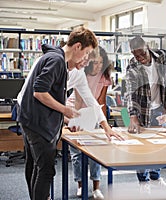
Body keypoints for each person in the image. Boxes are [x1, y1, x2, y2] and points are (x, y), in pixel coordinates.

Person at [18, 27, 98, 200]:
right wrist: (65, 110)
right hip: (38, 124)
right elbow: (39, 92)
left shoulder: (56, 59)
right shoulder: (56, 60)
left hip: (32, 120)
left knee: (37, 167)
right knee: (46, 171)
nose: (85, 58)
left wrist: (65, 117)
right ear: (77, 47)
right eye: (86, 53)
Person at [125, 36, 166, 193]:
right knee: (142, 149)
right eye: (136, 55)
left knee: (158, 146)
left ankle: (156, 178)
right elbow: (130, 91)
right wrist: (132, 116)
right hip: (142, 110)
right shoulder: (132, 65)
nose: (140, 58)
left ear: (147, 47)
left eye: (142, 54)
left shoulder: (161, 57)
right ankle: (143, 182)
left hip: (159, 108)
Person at [66, 46, 114, 199]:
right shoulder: (81, 73)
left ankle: (96, 188)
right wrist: (78, 123)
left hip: (94, 112)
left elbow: (101, 101)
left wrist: (104, 123)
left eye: (101, 63)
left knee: (95, 153)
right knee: (77, 154)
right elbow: (79, 100)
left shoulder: (105, 76)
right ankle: (80, 185)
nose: (98, 66)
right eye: (94, 62)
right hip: (75, 110)